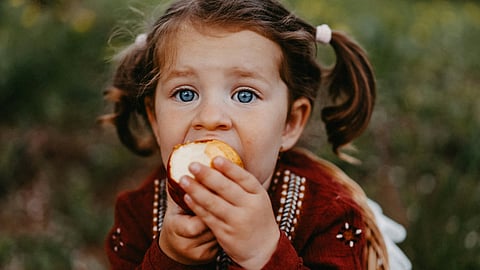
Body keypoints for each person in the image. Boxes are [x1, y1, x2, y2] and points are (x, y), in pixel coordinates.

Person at [101, 0, 411, 269]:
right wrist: (168, 257)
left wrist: (263, 254)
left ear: (290, 123)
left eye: (245, 95)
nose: (210, 118)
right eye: (185, 94)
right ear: (155, 120)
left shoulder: (328, 214)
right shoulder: (137, 214)